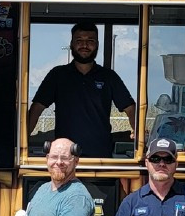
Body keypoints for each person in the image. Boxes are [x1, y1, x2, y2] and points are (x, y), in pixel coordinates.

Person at [25, 21, 137, 158]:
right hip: (65, 158)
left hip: (100, 158)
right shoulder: (57, 75)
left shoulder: (108, 77)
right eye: (79, 41)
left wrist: (137, 132)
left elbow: (130, 108)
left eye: (90, 41)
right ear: (72, 44)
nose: (84, 45)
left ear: (97, 44)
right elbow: (37, 108)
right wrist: (23, 141)